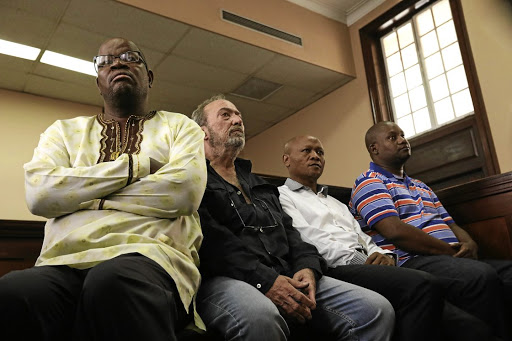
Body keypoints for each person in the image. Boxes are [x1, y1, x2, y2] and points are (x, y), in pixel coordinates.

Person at [0, 38, 207, 341]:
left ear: (148, 77)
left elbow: (183, 192)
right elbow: (41, 194)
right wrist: (136, 167)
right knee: (13, 292)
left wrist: (81, 195)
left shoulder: (180, 127)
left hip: (149, 257)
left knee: (111, 283)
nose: (118, 63)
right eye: (106, 62)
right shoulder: (63, 132)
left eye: (130, 57)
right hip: (62, 261)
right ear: (99, 82)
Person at [191, 95, 395, 341]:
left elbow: (292, 235)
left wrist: (307, 268)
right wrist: (265, 281)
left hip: (285, 272)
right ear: (203, 131)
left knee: (374, 310)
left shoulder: (260, 185)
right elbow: (213, 242)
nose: (237, 119)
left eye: (239, 115)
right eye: (226, 115)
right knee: (260, 317)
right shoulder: (193, 179)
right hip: (227, 278)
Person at [279, 135, 500, 341]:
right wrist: (364, 261)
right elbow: (311, 240)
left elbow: (362, 237)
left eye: (320, 152)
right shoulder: (281, 195)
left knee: (471, 327)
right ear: (287, 160)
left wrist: (383, 254)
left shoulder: (335, 202)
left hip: (369, 264)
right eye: (307, 150)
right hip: (333, 267)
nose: (315, 156)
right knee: (422, 283)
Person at [350, 121, 512, 340]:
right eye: (392, 137)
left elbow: (450, 224)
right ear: (374, 148)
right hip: (411, 260)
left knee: (509, 272)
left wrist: (469, 243)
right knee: (479, 276)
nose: (402, 140)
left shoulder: (420, 185)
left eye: (403, 135)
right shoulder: (369, 182)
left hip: (449, 255)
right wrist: (448, 251)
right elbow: (395, 231)